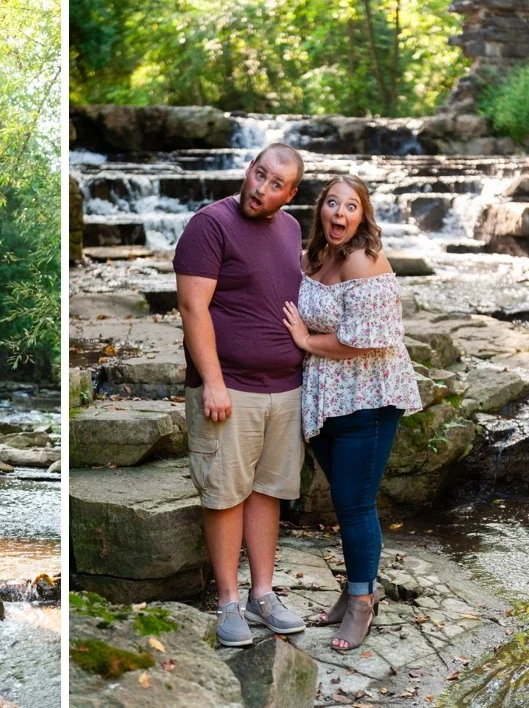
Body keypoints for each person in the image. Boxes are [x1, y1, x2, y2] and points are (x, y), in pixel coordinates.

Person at [277, 175, 421, 652]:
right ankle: (355, 588)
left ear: (363, 215)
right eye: (332, 204)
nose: (339, 214)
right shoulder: (313, 258)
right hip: (326, 397)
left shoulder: (364, 260)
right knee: (345, 500)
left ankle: (362, 601)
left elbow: (367, 338)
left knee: (355, 502)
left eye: (350, 207)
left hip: (369, 397)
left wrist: (304, 342)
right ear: (320, 210)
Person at [176, 143, 311, 647]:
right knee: (225, 494)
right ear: (249, 169)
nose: (261, 188)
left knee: (266, 492)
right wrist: (211, 380)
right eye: (259, 174)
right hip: (229, 388)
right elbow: (193, 309)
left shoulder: (293, 229)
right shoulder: (209, 225)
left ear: (291, 193)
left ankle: (264, 594)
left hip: (286, 388)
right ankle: (228, 603)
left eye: (276, 184)